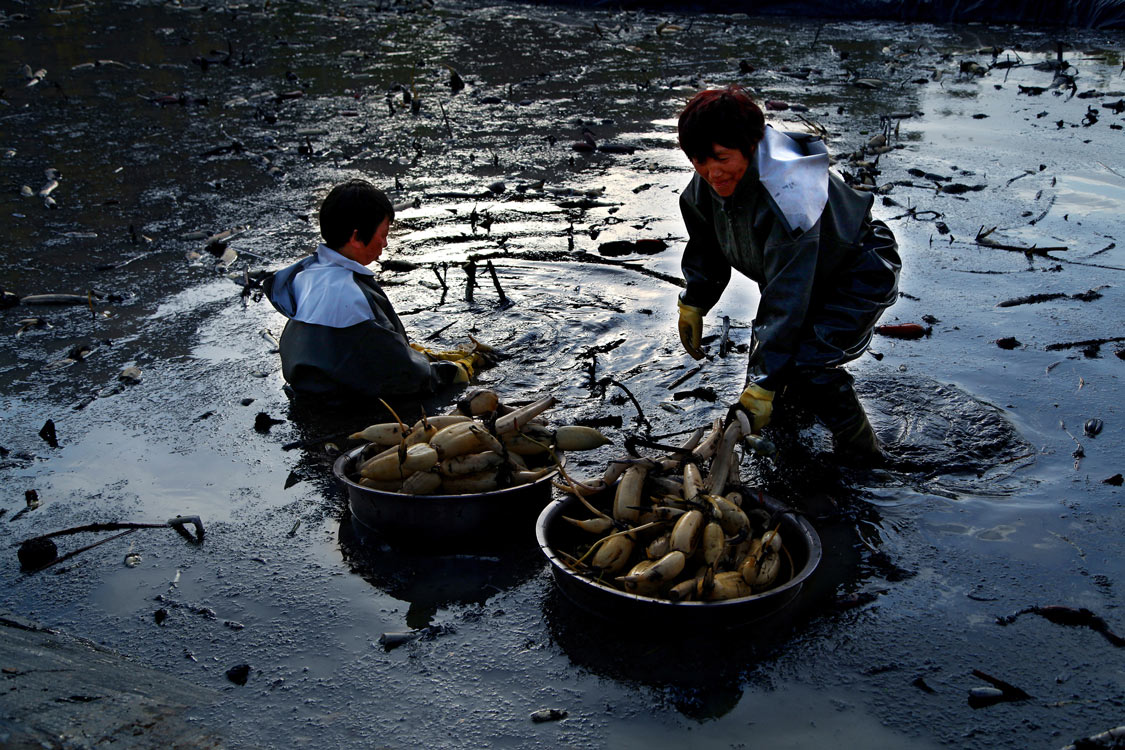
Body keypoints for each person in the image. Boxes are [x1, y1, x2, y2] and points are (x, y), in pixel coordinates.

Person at [674, 85, 901, 460]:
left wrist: (765, 380)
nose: (711, 172)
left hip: (857, 270)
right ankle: (784, 439)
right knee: (773, 366)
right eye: (699, 160)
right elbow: (706, 247)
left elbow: (787, 296)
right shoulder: (704, 188)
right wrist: (694, 300)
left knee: (809, 362)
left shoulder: (787, 194)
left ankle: (865, 455)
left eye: (721, 158)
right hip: (798, 275)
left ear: (749, 147)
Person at [264, 179, 481, 404]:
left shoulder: (306, 275)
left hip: (306, 389)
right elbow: (404, 374)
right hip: (341, 404)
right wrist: (453, 371)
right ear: (356, 237)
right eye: (383, 234)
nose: (385, 243)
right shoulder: (349, 294)